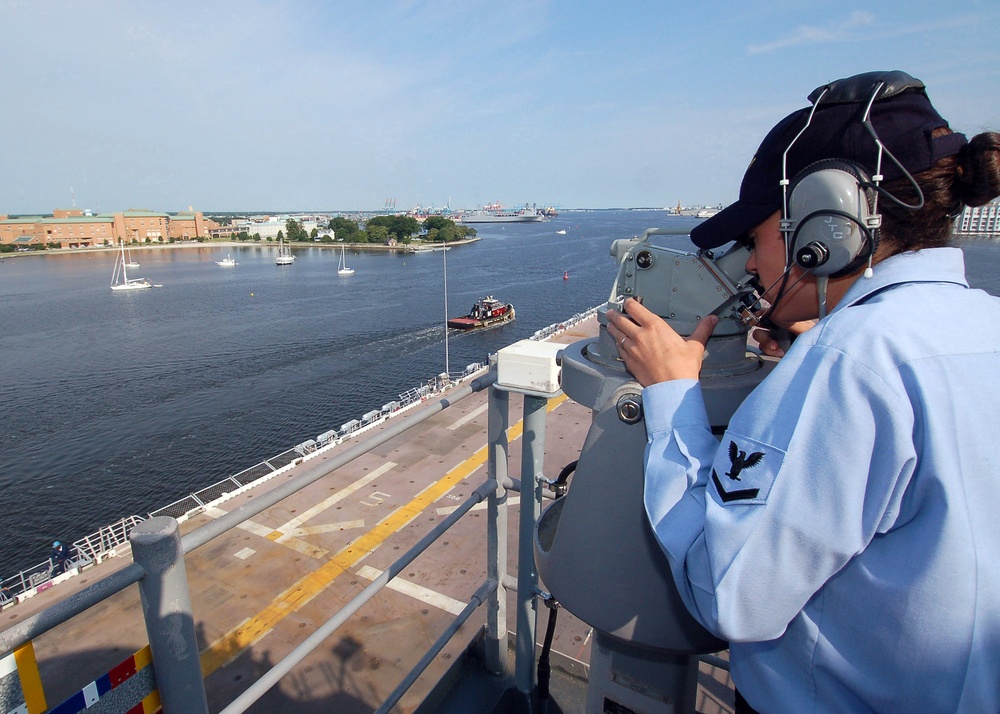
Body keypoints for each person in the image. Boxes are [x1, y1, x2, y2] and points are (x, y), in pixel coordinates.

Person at [606, 70, 1000, 713]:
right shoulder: (983, 323)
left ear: (827, 224)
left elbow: (729, 592)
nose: (754, 265)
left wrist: (673, 392)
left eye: (757, 238)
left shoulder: (847, 362)